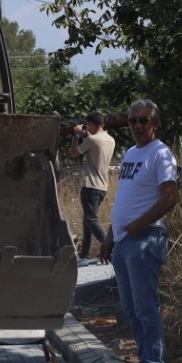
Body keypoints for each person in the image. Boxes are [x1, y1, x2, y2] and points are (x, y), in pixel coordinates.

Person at [100, 99, 179, 363]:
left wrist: (139, 225)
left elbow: (170, 197)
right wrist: (110, 236)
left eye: (143, 120)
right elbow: (124, 199)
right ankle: (144, 362)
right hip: (123, 241)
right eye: (133, 121)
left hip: (144, 239)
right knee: (130, 307)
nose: (137, 126)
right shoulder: (132, 153)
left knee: (146, 306)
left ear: (155, 123)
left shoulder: (161, 154)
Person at [69, 112, 116, 263]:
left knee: (91, 219)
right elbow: (95, 147)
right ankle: (84, 255)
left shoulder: (92, 139)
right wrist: (87, 135)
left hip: (90, 185)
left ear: (93, 125)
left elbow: (74, 153)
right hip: (102, 186)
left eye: (89, 126)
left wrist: (77, 135)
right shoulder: (110, 140)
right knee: (87, 220)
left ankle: (111, 248)